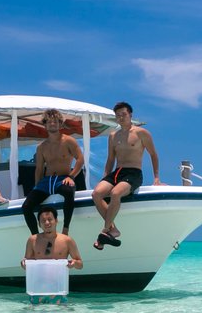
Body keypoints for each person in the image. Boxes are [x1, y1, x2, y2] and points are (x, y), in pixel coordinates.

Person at [91, 100, 161, 250]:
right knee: (96, 194)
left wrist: (156, 178)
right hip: (117, 172)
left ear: (130, 115)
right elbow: (110, 159)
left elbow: (153, 155)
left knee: (116, 193)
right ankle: (113, 230)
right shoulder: (113, 136)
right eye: (118, 115)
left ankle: (105, 230)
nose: (121, 117)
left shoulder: (141, 133)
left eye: (124, 114)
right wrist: (105, 176)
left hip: (133, 173)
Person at [22, 108, 84, 235]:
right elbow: (39, 169)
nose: (52, 124)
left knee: (68, 192)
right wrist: (36, 187)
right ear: (44, 125)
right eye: (49, 122)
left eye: (55, 121)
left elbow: (80, 160)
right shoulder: (41, 147)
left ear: (60, 124)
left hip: (63, 179)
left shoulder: (68, 141)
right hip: (46, 182)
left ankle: (65, 229)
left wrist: (71, 177)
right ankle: (35, 235)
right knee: (26, 206)